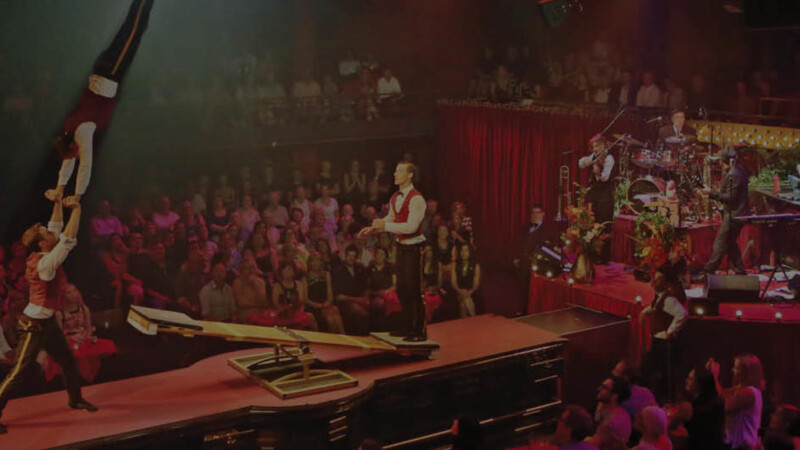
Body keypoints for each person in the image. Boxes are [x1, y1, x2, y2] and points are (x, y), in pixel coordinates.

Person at [0, 194, 96, 434]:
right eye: (46, 233)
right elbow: (69, 238)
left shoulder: (42, 253)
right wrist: (77, 209)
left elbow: (55, 227)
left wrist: (57, 201)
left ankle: (75, 399)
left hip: (48, 322)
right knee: (19, 372)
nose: (52, 230)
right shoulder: (45, 264)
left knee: (67, 361)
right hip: (34, 325)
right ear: (43, 244)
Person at [47, 0, 155, 204]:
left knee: (133, 30)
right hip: (103, 74)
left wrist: (77, 196)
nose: (76, 157)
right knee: (132, 30)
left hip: (108, 75)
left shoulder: (82, 131)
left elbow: (86, 164)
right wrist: (59, 190)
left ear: (73, 148)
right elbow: (68, 163)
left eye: (74, 154)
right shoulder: (70, 131)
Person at [359, 162, 427, 341]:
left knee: (413, 289)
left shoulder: (417, 199)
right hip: (402, 247)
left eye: (399, 171)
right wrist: (373, 229)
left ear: (410, 175)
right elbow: (390, 219)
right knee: (402, 288)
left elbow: (411, 227)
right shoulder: (396, 196)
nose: (395, 174)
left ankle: (419, 330)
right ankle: (407, 327)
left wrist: (385, 225)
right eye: (396, 170)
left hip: (414, 247)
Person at [639, 268, 688, 401]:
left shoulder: (669, 300)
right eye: (655, 277)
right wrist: (644, 312)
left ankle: (665, 399)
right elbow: (655, 307)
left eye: (659, 278)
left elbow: (682, 314)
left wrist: (670, 331)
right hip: (658, 340)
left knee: (663, 372)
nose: (655, 281)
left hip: (664, 342)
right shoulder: (661, 298)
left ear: (666, 283)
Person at [702, 147, 749, 276]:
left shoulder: (734, 174)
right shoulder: (738, 171)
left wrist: (711, 192)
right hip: (735, 214)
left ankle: (708, 271)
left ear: (723, 161)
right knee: (730, 244)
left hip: (734, 216)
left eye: (720, 161)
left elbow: (731, 198)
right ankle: (740, 271)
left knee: (720, 244)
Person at [707, 354, 764, 450]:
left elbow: (723, 406)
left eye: (737, 368)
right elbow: (721, 394)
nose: (733, 370)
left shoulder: (749, 392)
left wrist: (714, 376)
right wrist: (714, 375)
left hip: (744, 446)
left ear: (747, 372)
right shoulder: (741, 389)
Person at [670, 366, 725, 450]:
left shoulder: (686, 407)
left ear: (699, 384)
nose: (686, 380)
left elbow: (671, 427)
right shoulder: (719, 403)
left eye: (690, 378)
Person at [578, 134, 614, 263]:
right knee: (594, 224)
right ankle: (593, 253)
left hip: (605, 196)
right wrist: (590, 161)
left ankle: (604, 257)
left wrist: (597, 171)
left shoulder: (609, 158)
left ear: (604, 145)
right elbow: (581, 163)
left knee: (604, 225)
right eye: (593, 146)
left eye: (597, 146)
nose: (595, 149)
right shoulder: (594, 156)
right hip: (594, 194)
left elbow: (605, 177)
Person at [304, 252, 345, 333]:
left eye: (318, 261)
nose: (315, 263)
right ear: (309, 263)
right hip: (314, 306)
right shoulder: (305, 277)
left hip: (326, 304)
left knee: (336, 315)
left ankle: (344, 338)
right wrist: (317, 305)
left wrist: (327, 303)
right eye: (313, 261)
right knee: (330, 318)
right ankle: (331, 341)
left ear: (321, 262)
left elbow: (330, 295)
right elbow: (305, 299)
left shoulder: (326, 275)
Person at [587, 377, 632, 448]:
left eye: (604, 388)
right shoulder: (606, 411)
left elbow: (592, 445)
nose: (599, 389)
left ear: (615, 396)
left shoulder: (615, 421)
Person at [451, 243, 481, 318]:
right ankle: (475, 319)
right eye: (462, 250)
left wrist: (470, 291)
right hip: (457, 292)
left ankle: (466, 326)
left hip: (471, 292)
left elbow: (476, 284)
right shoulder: (454, 265)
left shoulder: (476, 266)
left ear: (470, 252)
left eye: (466, 250)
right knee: (464, 298)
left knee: (463, 304)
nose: (463, 253)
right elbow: (454, 283)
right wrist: (460, 291)